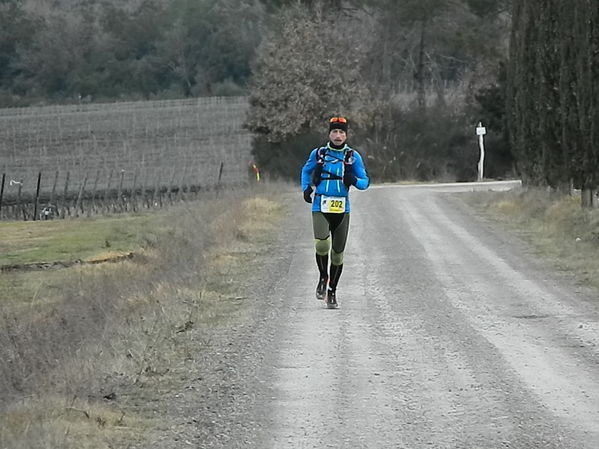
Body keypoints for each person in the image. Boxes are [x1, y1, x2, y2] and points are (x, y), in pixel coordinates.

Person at [300, 116, 369, 309]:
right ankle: (323, 276)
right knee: (322, 245)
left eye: (341, 132)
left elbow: (365, 182)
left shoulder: (353, 156)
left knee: (338, 255)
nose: (338, 136)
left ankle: (332, 292)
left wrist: (352, 179)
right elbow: (305, 171)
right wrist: (306, 188)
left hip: (342, 208)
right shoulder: (319, 153)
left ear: (346, 135)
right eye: (334, 132)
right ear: (329, 134)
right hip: (320, 205)